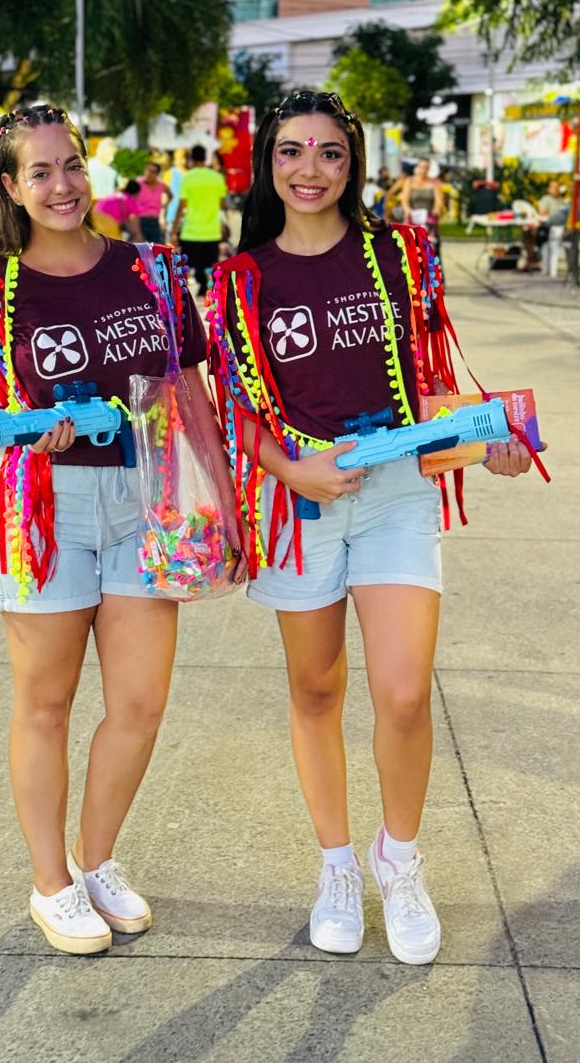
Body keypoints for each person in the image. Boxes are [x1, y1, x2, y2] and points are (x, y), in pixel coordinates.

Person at [207, 89, 533, 967]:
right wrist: (293, 471)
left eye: (330, 153)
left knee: (403, 692)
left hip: (395, 494)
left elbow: (428, 384)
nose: (309, 170)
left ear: (353, 164)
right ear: (267, 163)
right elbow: (237, 412)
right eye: (290, 151)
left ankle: (401, 860)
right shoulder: (241, 280)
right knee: (317, 691)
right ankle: (337, 867)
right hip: (299, 504)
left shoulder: (401, 255)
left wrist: (486, 440)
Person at [0, 105, 244, 956]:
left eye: (71, 164)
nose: (62, 185)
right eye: (40, 172)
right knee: (46, 702)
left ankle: (96, 860)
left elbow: (190, 388)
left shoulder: (152, 269)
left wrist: (219, 498)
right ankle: (51, 883)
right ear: (10, 187)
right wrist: (31, 431)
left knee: (140, 703)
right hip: (45, 509)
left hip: (150, 505)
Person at [171, 144, 228, 297]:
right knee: (210, 264)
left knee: (190, 265)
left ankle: (193, 289)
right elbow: (223, 204)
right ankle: (210, 291)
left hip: (191, 231)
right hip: (212, 231)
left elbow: (182, 206)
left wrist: (174, 230)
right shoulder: (217, 177)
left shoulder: (187, 178)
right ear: (205, 158)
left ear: (191, 159)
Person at [402, 158, 443, 259]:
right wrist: (407, 210)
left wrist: (436, 209)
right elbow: (404, 200)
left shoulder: (434, 182)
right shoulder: (409, 181)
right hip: (413, 217)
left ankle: (432, 267)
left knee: (431, 247)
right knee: (411, 248)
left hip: (429, 218)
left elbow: (438, 200)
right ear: (417, 167)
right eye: (421, 167)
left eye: (426, 167)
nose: (423, 170)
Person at [136, 160, 170, 244]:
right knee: (140, 248)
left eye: (153, 172)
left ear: (157, 174)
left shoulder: (161, 185)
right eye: (147, 170)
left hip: (155, 221)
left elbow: (170, 195)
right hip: (140, 221)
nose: (149, 174)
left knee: (155, 248)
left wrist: (163, 206)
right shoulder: (138, 183)